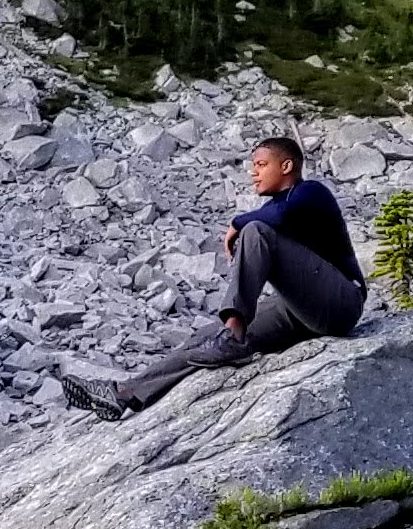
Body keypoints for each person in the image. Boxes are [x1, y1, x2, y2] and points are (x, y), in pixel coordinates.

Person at [59, 135, 368, 414]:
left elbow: (277, 217)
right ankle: (126, 393)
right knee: (207, 339)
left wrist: (237, 222)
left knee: (255, 231)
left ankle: (234, 331)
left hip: (342, 301)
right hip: (301, 312)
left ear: (287, 165)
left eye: (261, 164)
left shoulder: (311, 192)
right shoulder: (275, 207)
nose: (253, 172)